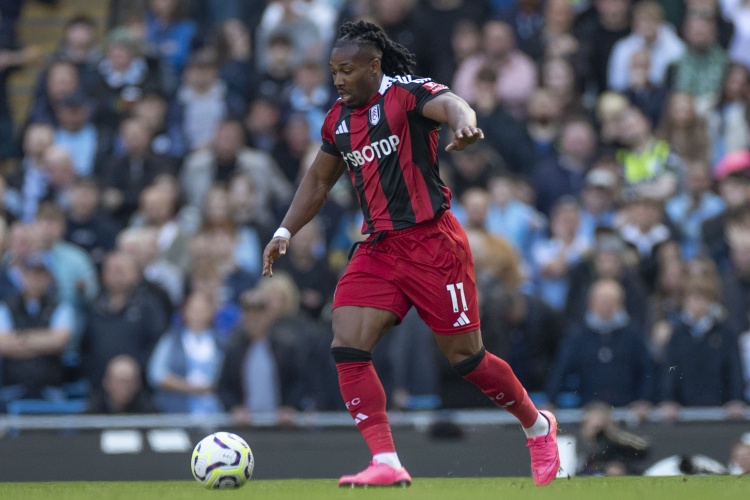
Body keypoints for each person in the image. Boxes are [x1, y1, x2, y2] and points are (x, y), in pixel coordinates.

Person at [261, 20, 560, 488]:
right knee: (346, 344)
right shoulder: (337, 120)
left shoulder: (405, 94)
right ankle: (386, 460)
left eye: (347, 70)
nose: (338, 80)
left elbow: (452, 103)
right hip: (379, 247)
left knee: (467, 359)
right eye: (333, 71)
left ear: (374, 66)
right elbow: (319, 180)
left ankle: (537, 425)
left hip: (433, 244)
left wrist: (464, 123)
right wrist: (285, 230)